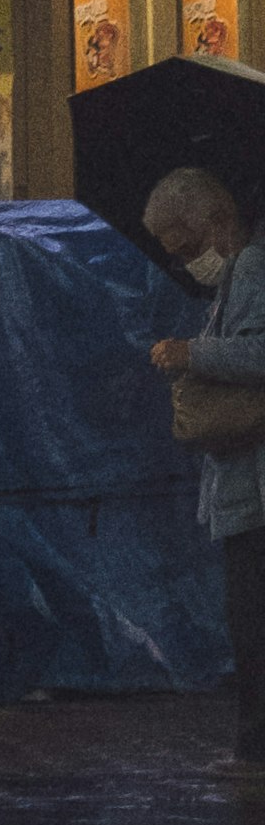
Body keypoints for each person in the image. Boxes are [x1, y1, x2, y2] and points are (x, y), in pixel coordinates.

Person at [145, 160, 265, 762]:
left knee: (251, 615)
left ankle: (255, 743)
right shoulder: (235, 275)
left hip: (256, 484)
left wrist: (191, 352)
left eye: (188, 245)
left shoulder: (252, 264)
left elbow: (260, 351)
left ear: (217, 219)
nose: (189, 261)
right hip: (246, 484)